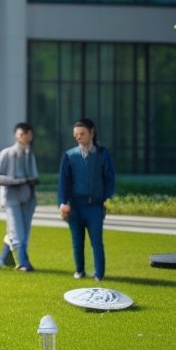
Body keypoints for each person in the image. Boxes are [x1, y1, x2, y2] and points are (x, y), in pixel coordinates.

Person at [58, 118, 116, 281]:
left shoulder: (102, 154)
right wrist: (63, 203)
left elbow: (110, 178)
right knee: (77, 241)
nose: (78, 137)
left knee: (97, 242)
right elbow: (63, 181)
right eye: (76, 134)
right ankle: (79, 270)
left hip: (95, 207)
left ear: (92, 133)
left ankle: (99, 274)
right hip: (75, 207)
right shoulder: (69, 156)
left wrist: (105, 198)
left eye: (82, 133)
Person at [0, 122, 39, 272]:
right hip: (11, 197)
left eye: (27, 134)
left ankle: (3, 259)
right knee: (17, 231)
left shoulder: (31, 154)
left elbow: (34, 175)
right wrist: (17, 181)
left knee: (22, 232)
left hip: (29, 197)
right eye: (21, 134)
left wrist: (32, 180)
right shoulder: (6, 154)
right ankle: (24, 263)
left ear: (30, 136)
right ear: (16, 135)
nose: (24, 137)